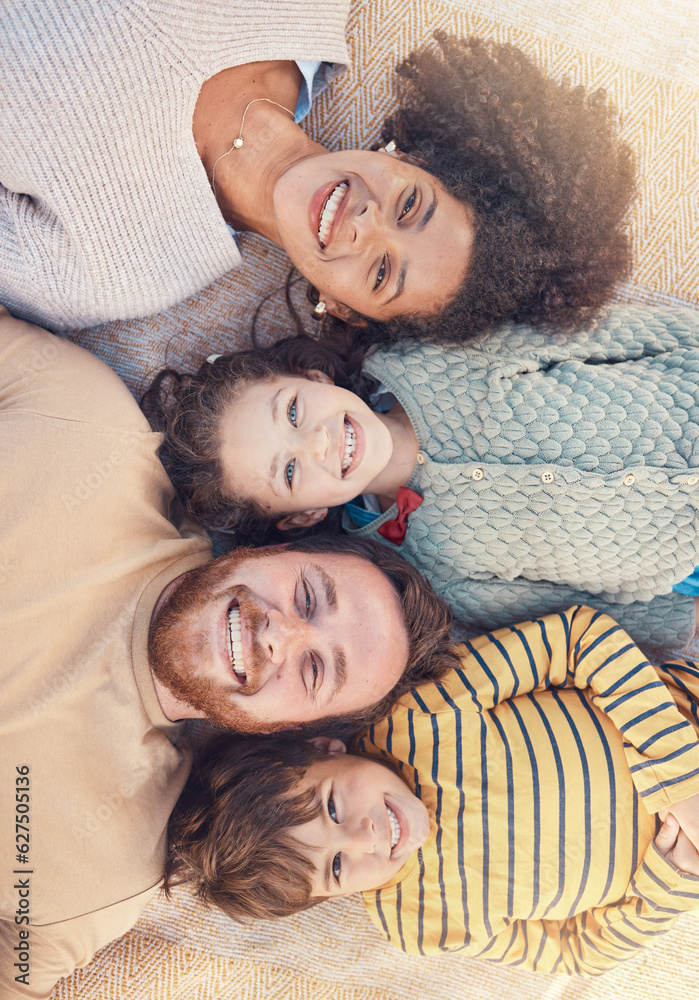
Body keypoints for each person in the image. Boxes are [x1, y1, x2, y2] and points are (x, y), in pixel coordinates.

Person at [0, 306, 456, 999]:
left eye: (313, 671)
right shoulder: (87, 428)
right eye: (307, 597)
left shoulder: (101, 874)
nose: (281, 635)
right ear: (274, 543)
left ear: (285, 732)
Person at [0, 3, 632, 342]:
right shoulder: (303, 9)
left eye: (383, 272)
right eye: (410, 206)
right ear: (408, 159)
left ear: (343, 310)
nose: (366, 225)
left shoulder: (109, 274)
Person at [163, 605, 699, 975]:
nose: (365, 837)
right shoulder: (420, 923)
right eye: (337, 868)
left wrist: (682, 780)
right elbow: (577, 951)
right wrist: (673, 883)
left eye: (332, 806)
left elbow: (582, 639)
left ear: (327, 747)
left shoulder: (419, 713)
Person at [144, 302, 699, 649]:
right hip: (682, 562)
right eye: (289, 471)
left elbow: (595, 332)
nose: (317, 440)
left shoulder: (428, 357)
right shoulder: (422, 570)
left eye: (292, 411)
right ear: (305, 515)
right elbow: (566, 614)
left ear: (312, 375)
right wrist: (679, 621)